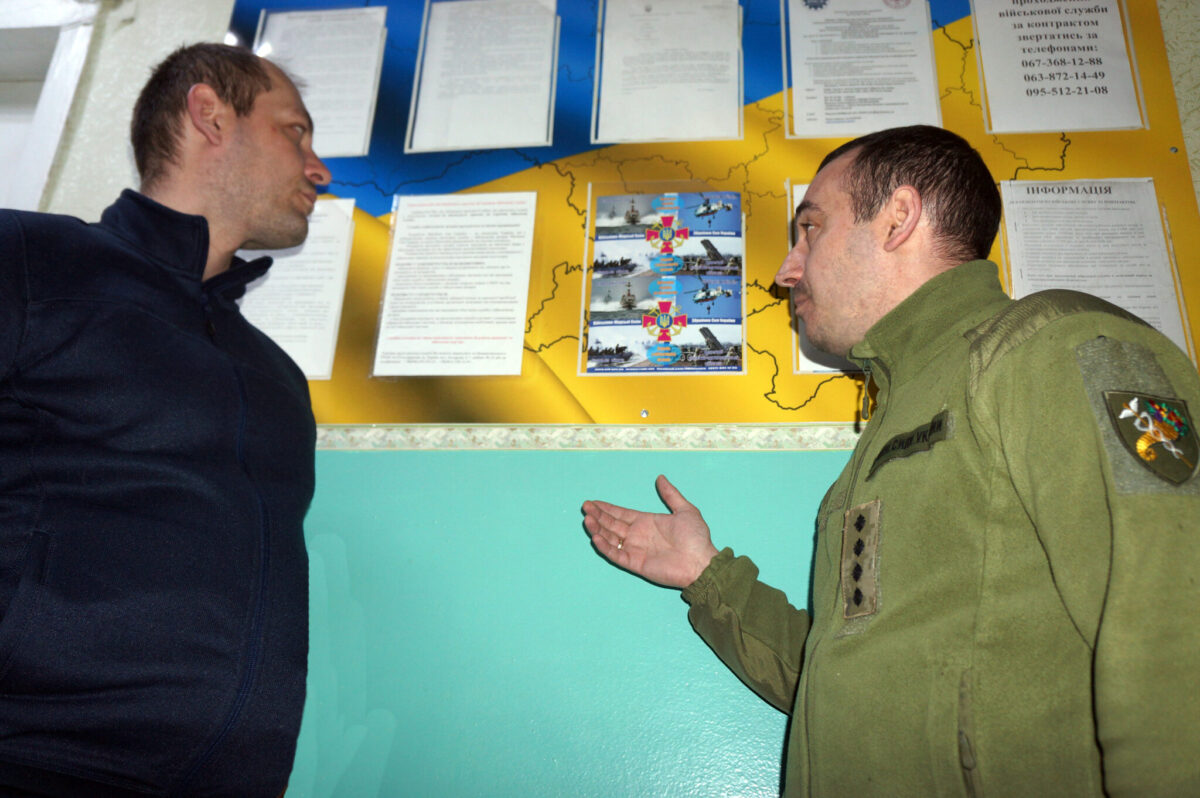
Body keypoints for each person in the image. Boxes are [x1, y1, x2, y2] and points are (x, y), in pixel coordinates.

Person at [582, 125, 1200, 796]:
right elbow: (848, 685)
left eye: (810, 229)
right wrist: (707, 576)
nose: (788, 271)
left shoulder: (1051, 349)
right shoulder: (896, 419)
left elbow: (1175, 633)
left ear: (899, 217)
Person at [0, 43, 330, 796]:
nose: (319, 169)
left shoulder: (277, 378)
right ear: (210, 114)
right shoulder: (31, 259)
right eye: (295, 131)